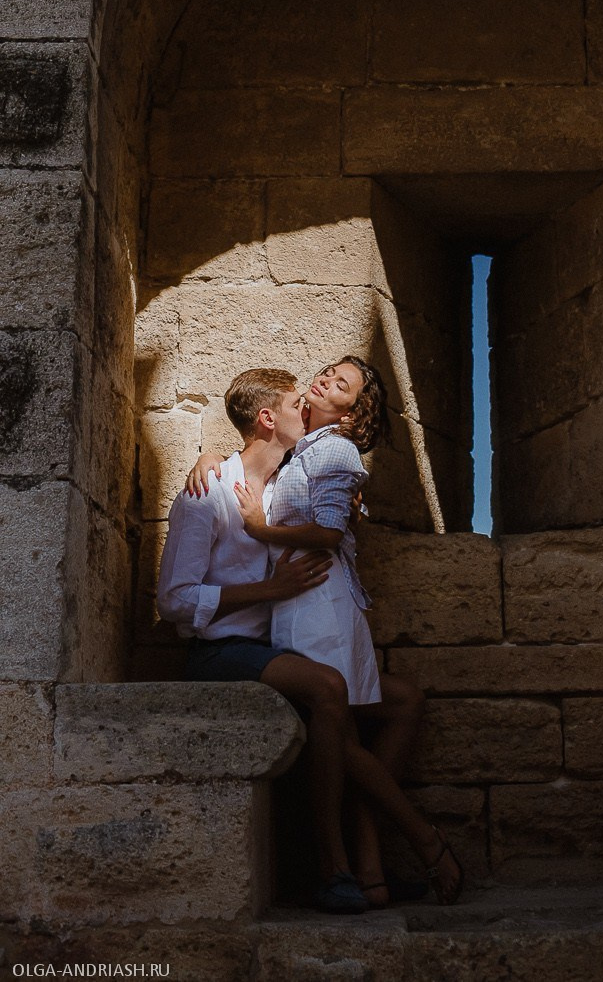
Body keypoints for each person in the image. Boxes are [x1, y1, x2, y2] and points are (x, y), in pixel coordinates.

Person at [182, 358, 464, 908]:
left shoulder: (332, 449)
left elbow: (330, 532)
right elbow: (252, 452)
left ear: (352, 410)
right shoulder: (300, 450)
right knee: (347, 724)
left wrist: (261, 526)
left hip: (316, 600)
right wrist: (211, 455)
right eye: (327, 373)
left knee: (337, 725)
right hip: (300, 601)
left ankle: (422, 842)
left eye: (341, 385)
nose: (324, 382)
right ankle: (373, 873)